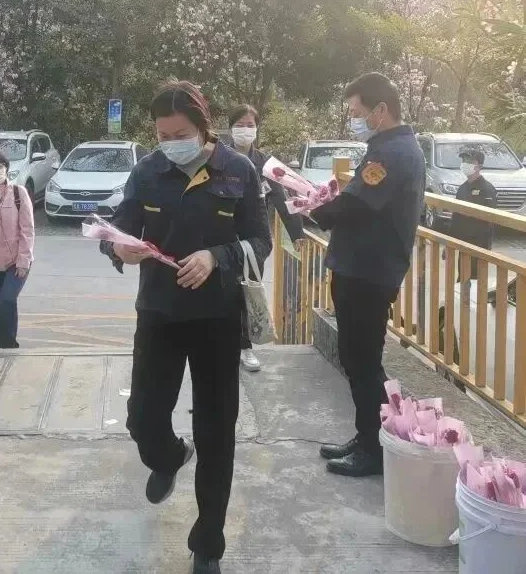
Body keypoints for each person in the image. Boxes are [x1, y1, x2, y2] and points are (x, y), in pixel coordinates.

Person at [101, 81, 272, 574]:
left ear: (202, 126)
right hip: (159, 313)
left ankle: (208, 544)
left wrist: (216, 256)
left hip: (218, 318)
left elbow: (259, 240)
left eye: (180, 134)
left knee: (216, 432)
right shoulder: (147, 171)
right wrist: (119, 247)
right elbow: (118, 227)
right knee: (142, 418)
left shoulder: (237, 170)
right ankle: (170, 457)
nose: (171, 143)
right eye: (162, 135)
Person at [312, 72, 425, 477]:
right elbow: (358, 195)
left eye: (356, 112)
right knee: (356, 357)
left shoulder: (393, 152)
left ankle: (375, 449)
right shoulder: (386, 147)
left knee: (363, 360)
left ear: (380, 109)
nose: (353, 119)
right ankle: (366, 436)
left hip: (369, 271)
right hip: (361, 267)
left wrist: (312, 209)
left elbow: (358, 203)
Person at [228, 103, 304, 371]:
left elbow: (282, 200)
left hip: (254, 241)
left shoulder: (265, 163)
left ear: (257, 129)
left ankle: (245, 347)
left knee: (249, 294)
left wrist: (297, 233)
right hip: (223, 238)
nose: (245, 130)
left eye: (250, 125)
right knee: (223, 294)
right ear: (230, 128)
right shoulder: (219, 159)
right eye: (240, 125)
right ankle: (223, 345)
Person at [0, 150, 35, 349]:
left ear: (6, 169)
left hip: (16, 262)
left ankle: (10, 345)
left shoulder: (18, 193)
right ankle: (2, 346)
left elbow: (27, 229)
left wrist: (23, 260)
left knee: (7, 300)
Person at [450, 148, 497, 282]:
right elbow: (456, 218)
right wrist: (450, 243)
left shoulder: (487, 189)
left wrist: (485, 248)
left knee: (476, 281)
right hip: (464, 244)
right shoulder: (462, 188)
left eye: (470, 161)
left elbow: (490, 221)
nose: (466, 163)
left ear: (480, 166)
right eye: (464, 160)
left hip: (479, 245)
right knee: (463, 279)